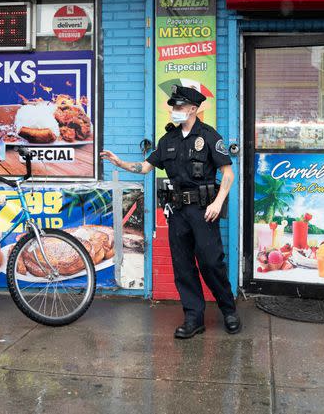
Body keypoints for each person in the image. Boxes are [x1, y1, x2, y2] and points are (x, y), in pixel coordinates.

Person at [101, 85, 241, 338]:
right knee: (183, 266)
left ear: (193, 109)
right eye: (173, 106)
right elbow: (145, 168)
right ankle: (193, 318)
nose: (174, 110)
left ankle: (228, 309)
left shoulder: (210, 137)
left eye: (178, 106)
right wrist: (119, 162)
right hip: (178, 211)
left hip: (204, 210)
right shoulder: (168, 140)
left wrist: (218, 203)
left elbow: (228, 174)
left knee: (211, 263)